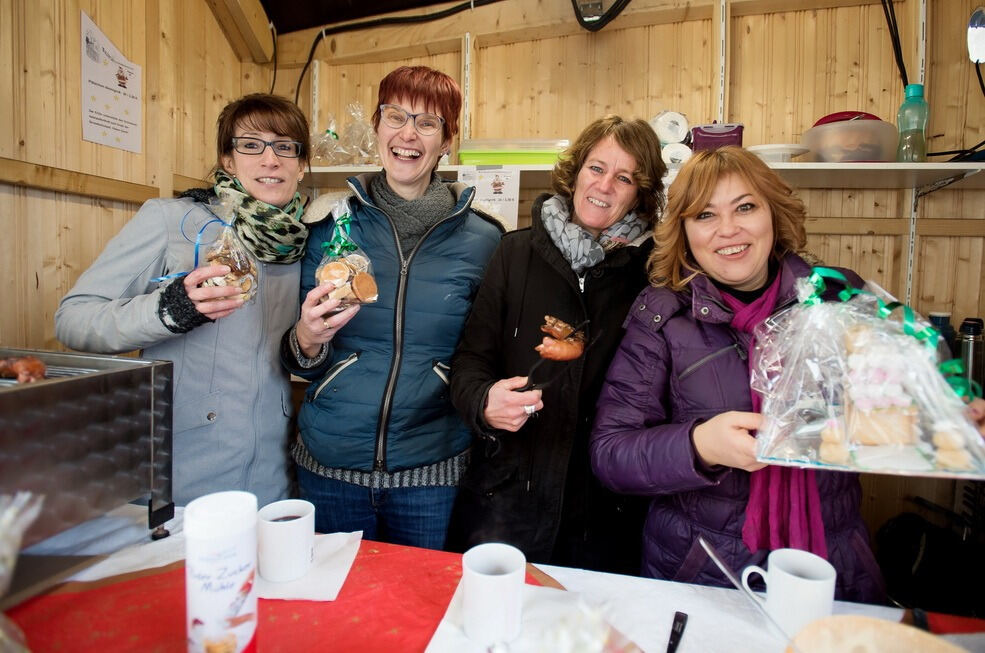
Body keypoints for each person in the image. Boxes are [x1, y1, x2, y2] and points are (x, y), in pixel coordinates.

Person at [590, 146, 886, 603]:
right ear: (684, 233)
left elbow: (900, 398)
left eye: (745, 207)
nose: (728, 230)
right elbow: (611, 453)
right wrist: (699, 446)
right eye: (705, 215)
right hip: (702, 573)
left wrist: (945, 411)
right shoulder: (662, 316)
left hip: (829, 565)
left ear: (773, 213)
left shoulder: (837, 298)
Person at [281, 65, 502, 549]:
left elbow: (486, 355)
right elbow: (297, 358)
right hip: (330, 468)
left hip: (433, 474)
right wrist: (307, 339)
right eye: (395, 116)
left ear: (448, 140)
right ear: (377, 128)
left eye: (427, 122)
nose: (408, 134)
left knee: (422, 613)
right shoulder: (328, 228)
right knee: (332, 614)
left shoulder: (486, 242)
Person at [55, 93, 314, 506]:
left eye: (285, 146)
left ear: (301, 165)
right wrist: (170, 310)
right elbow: (73, 319)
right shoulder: (170, 221)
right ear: (227, 160)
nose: (270, 159)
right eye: (251, 145)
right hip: (183, 475)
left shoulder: (299, 242)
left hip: (272, 479)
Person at [445, 115, 666, 574]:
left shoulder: (654, 273)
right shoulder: (514, 253)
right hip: (506, 500)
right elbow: (470, 361)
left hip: (604, 512)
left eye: (624, 177)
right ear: (576, 172)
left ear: (640, 193)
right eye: (596, 168)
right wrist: (484, 402)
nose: (604, 186)